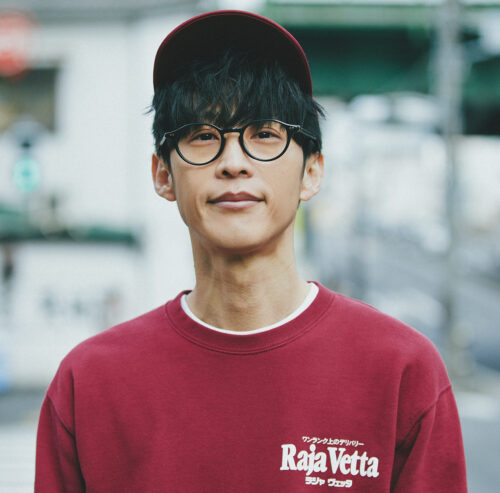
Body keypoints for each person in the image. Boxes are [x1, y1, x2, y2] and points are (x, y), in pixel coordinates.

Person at [35, 10, 468, 492]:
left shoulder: (401, 371)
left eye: (264, 133)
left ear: (312, 172)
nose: (233, 162)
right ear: (162, 175)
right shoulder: (89, 383)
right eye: (203, 136)